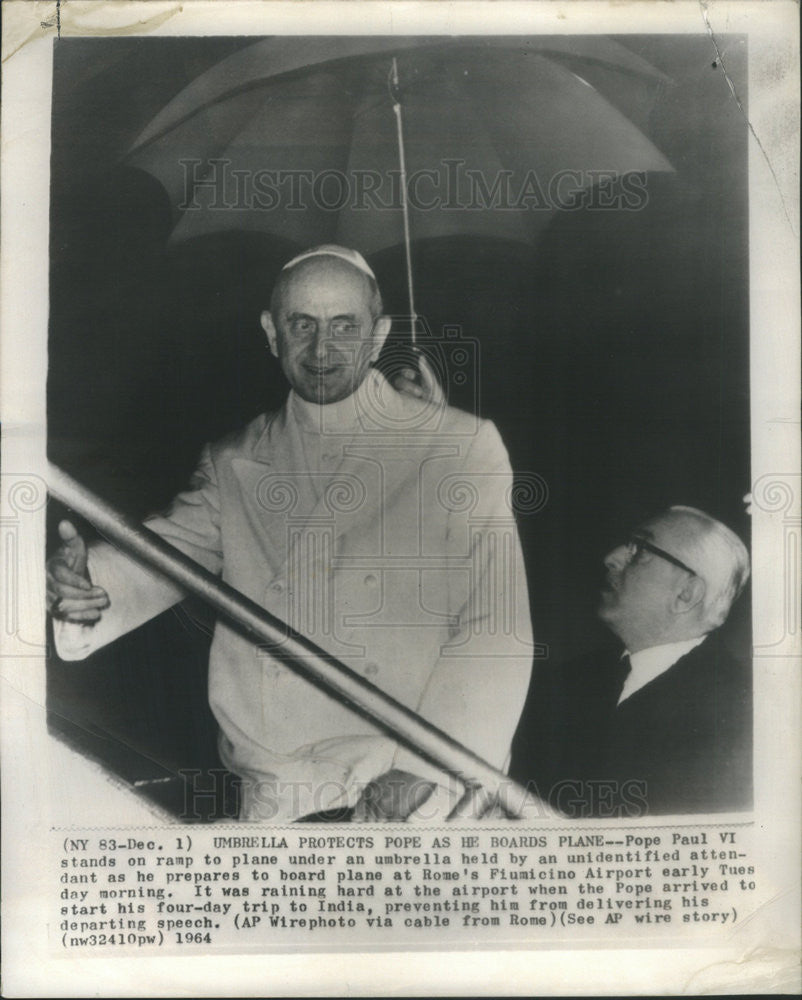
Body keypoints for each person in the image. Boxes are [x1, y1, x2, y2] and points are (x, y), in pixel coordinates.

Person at [48, 245, 534, 823]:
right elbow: (163, 555)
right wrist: (87, 586)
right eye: (300, 324)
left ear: (377, 337)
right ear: (270, 332)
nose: (321, 348)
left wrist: (425, 771)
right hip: (276, 798)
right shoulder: (233, 459)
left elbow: (495, 629)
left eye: (343, 326)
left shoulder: (457, 445)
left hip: (411, 796)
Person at [510, 505, 751, 816]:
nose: (611, 557)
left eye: (640, 549)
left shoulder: (739, 713)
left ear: (687, 593)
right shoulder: (563, 681)